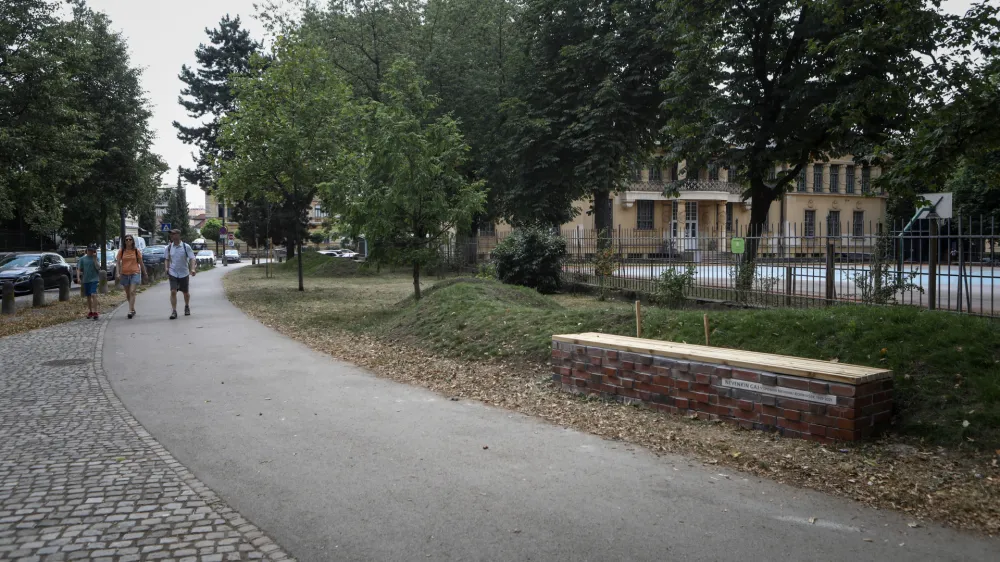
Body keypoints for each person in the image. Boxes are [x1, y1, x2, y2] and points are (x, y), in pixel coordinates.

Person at [164, 229, 196, 319]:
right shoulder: (169, 247)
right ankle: (174, 311)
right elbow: (166, 259)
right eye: (171, 234)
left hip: (184, 273)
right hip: (173, 272)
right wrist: (166, 268)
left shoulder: (186, 247)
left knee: (185, 293)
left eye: (174, 234)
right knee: (173, 291)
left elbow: (192, 258)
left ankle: (186, 306)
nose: (172, 236)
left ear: (178, 235)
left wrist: (192, 269)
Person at [116, 235, 148, 319]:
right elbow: (118, 263)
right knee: (128, 293)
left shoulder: (136, 251)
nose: (128, 241)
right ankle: (133, 309)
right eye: (126, 239)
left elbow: (141, 263)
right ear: (124, 241)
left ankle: (130, 310)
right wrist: (118, 273)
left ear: (132, 241)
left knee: (132, 291)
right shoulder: (121, 251)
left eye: (130, 239)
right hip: (124, 274)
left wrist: (145, 273)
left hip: (135, 272)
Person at [77, 244, 101, 320]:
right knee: (88, 296)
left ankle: (95, 312)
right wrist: (78, 278)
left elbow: (98, 268)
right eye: (89, 250)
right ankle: (90, 311)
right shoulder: (82, 259)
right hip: (86, 279)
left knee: (93, 294)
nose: (90, 252)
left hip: (94, 279)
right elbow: (78, 269)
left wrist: (94, 259)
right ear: (87, 250)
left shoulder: (96, 258)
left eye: (92, 250)